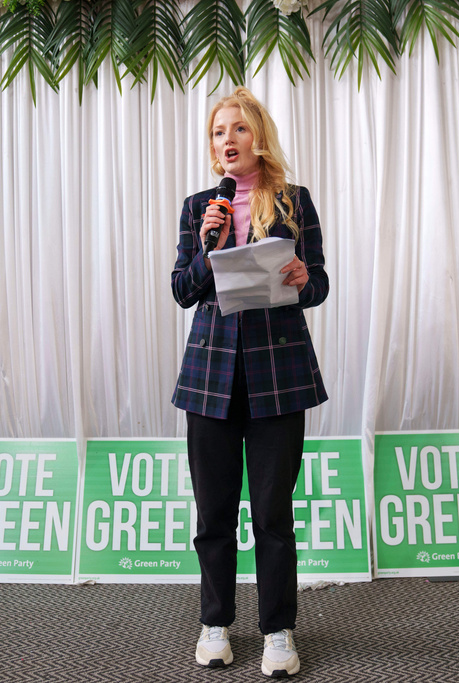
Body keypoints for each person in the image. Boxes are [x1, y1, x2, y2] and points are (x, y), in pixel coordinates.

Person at [170, 86, 329, 678]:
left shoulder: (293, 200)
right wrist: (208, 247)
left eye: (237, 129)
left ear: (257, 135)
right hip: (211, 377)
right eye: (217, 132)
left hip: (278, 376)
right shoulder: (197, 208)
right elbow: (183, 290)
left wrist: (302, 275)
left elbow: (317, 288)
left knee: (272, 514)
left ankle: (278, 632)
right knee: (213, 513)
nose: (226, 140)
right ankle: (215, 623)